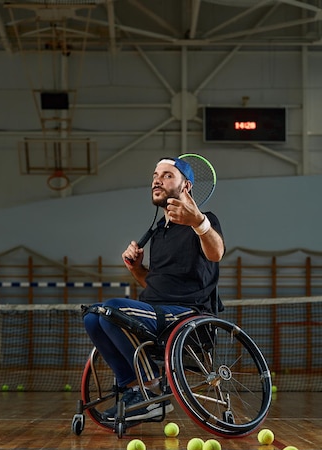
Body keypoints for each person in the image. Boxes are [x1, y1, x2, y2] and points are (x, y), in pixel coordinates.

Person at [83, 156, 225, 420]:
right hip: (156, 311)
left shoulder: (205, 222)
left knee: (112, 310)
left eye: (167, 175)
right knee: (93, 315)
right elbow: (157, 286)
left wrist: (198, 222)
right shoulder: (160, 232)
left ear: (186, 186)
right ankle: (134, 387)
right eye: (155, 175)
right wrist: (137, 269)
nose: (157, 180)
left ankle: (151, 390)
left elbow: (216, 253)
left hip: (188, 316)